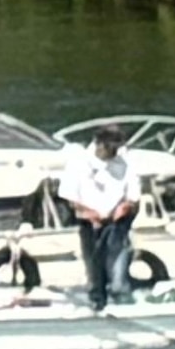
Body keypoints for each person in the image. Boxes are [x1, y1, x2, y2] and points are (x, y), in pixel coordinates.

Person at [52, 131, 145, 309]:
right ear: (99, 143)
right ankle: (98, 299)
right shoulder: (79, 164)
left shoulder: (125, 165)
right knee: (94, 266)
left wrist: (120, 210)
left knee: (117, 265)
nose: (114, 151)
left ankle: (121, 296)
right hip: (89, 220)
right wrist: (91, 213)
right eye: (110, 147)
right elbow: (70, 198)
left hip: (117, 221)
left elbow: (132, 196)